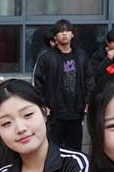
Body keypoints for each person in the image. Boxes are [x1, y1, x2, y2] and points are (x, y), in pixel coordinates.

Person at [32, 19, 94, 152]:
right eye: (60, 31)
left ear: (72, 34)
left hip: (76, 113)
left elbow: (89, 80)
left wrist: (88, 101)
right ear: (55, 36)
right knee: (53, 151)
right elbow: (37, 83)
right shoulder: (46, 57)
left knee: (74, 151)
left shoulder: (81, 56)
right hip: (54, 113)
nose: (64, 34)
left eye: (67, 31)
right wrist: (41, 105)